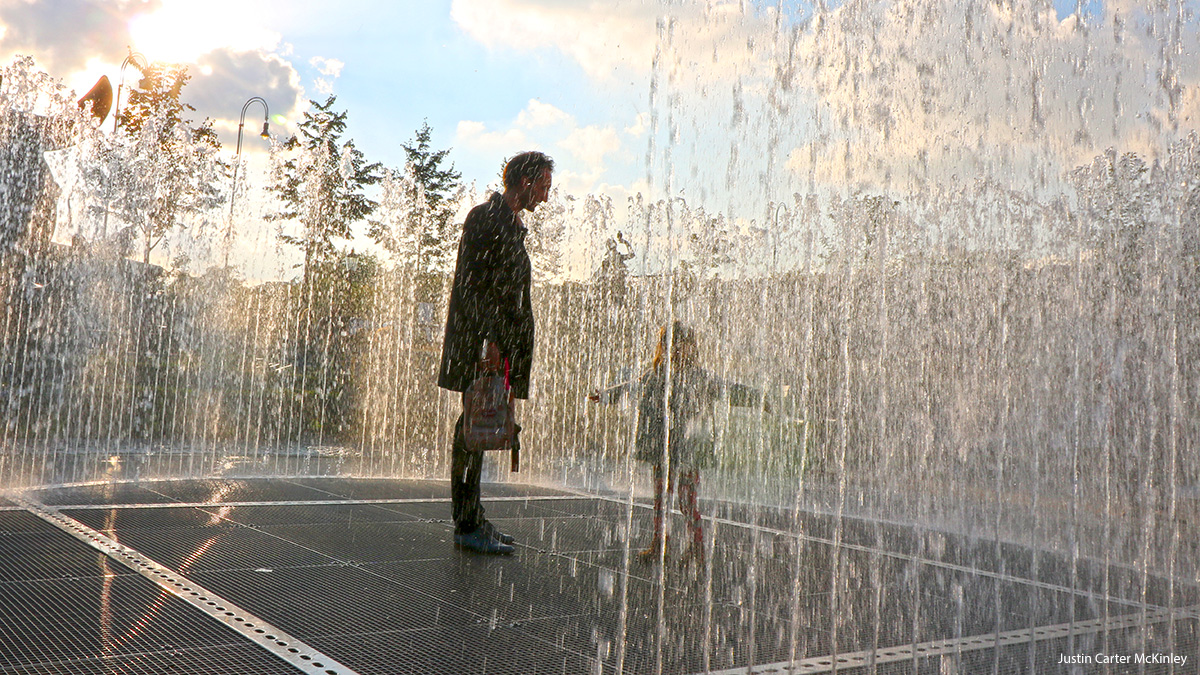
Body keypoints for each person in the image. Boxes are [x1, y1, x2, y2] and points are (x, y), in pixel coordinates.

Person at [438, 150, 554, 554]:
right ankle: (466, 525)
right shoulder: (484, 218)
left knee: (479, 427)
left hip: (498, 344)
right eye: (543, 186)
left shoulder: (513, 225)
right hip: (482, 345)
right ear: (525, 182)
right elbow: (472, 285)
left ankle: (473, 516)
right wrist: (487, 341)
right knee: (471, 430)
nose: (545, 196)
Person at [590, 321, 764, 568]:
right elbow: (630, 387)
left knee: (686, 503)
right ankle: (660, 546)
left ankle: (696, 549)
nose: (678, 350)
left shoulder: (699, 377)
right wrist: (606, 394)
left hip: (687, 451)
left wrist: (758, 398)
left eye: (684, 345)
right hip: (661, 449)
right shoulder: (656, 374)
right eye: (671, 345)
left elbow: (729, 390)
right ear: (664, 348)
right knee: (661, 501)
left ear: (692, 348)